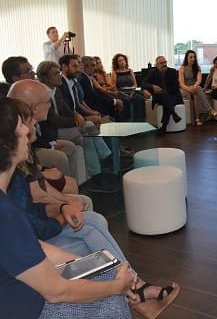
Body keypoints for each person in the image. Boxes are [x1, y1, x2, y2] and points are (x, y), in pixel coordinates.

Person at [6, 100, 181, 319]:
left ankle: (135, 286)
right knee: (112, 303)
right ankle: (136, 290)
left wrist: (103, 267)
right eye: (23, 125)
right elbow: (55, 289)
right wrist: (115, 286)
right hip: (29, 304)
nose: (28, 128)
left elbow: (33, 240)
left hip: (33, 272)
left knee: (94, 226)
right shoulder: (7, 212)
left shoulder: (11, 194)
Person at [37, 60, 111, 178]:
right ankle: (105, 158)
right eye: (56, 73)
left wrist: (77, 115)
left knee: (87, 138)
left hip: (61, 128)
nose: (59, 75)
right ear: (45, 78)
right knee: (88, 126)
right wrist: (78, 120)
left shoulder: (56, 90)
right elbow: (54, 120)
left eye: (59, 72)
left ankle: (96, 172)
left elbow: (67, 110)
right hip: (53, 132)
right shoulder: (41, 93)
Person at [7, 79, 89, 185]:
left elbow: (43, 133)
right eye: (48, 102)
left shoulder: (30, 118)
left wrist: (51, 144)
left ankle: (77, 184)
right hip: (27, 172)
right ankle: (66, 186)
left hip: (37, 153)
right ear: (35, 108)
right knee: (59, 158)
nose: (50, 106)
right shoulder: (17, 127)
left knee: (70, 146)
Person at [142, 56, 183, 134]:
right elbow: (144, 83)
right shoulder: (152, 72)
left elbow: (175, 87)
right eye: (161, 63)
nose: (164, 64)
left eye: (165, 62)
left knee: (166, 100)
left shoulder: (173, 71)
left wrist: (162, 91)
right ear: (156, 65)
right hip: (159, 97)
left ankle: (164, 127)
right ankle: (174, 114)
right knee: (165, 98)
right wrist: (153, 86)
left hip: (173, 95)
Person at [111, 53, 145, 121]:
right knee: (126, 101)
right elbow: (114, 87)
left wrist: (132, 93)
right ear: (117, 63)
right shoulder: (114, 72)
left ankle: (139, 120)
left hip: (132, 91)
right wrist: (124, 94)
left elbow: (135, 84)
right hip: (121, 93)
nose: (122, 62)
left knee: (139, 99)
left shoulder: (130, 70)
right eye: (120, 61)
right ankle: (127, 121)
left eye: (123, 60)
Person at [178, 50, 208, 126]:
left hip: (194, 87)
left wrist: (194, 87)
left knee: (197, 91)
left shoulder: (197, 67)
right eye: (190, 57)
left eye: (194, 57)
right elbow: (181, 84)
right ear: (186, 58)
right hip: (184, 88)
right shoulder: (182, 68)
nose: (193, 59)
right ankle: (209, 111)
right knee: (197, 91)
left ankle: (197, 119)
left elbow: (199, 80)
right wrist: (190, 89)